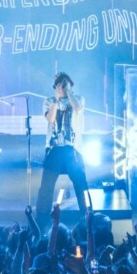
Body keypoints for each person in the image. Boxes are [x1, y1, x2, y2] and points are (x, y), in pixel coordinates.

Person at [36, 72, 89, 222]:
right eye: (61, 85)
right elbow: (50, 119)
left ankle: (87, 214)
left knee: (81, 183)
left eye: (66, 84)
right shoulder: (49, 101)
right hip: (55, 149)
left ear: (71, 85)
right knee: (46, 186)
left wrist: (68, 91)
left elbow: (77, 108)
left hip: (73, 150)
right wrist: (56, 98)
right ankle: (41, 218)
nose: (63, 88)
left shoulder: (78, 98)